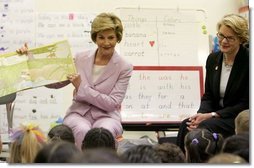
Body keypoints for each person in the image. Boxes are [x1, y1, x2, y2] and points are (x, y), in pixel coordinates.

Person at [17, 12, 133, 150]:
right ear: (95, 38)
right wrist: (30, 60)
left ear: (118, 38)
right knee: (81, 130)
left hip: (107, 116)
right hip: (78, 114)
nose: (106, 42)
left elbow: (112, 103)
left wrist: (81, 87)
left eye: (111, 38)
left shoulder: (124, 67)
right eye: (101, 37)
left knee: (102, 132)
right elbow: (56, 82)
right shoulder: (80, 58)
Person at [176, 14, 249, 153]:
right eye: (221, 36)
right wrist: (199, 115)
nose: (223, 41)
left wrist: (213, 115)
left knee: (204, 127)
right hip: (213, 115)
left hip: (236, 118)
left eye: (230, 38)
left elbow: (245, 103)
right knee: (186, 125)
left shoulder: (248, 61)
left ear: (241, 39)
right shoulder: (213, 59)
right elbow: (208, 95)